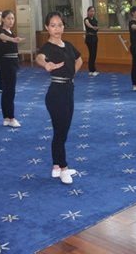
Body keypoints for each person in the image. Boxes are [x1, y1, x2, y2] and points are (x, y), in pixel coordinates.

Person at [36, 11, 82, 184]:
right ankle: (63, 168)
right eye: (53, 25)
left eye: (60, 25)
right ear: (47, 27)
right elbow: (39, 57)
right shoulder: (48, 47)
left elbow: (79, 60)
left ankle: (56, 167)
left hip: (69, 90)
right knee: (60, 133)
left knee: (63, 132)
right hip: (56, 94)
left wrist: (70, 74)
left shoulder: (68, 45)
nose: (57, 29)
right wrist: (46, 64)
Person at [0, 10, 25, 128]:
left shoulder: (10, 31)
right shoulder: (3, 32)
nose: (11, 21)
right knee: (9, 91)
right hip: (7, 64)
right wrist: (13, 39)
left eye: (13, 18)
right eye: (8, 18)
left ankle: (7, 118)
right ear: (3, 19)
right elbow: (1, 36)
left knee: (8, 91)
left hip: (11, 63)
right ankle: (11, 118)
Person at [84, 6, 100, 76]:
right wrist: (93, 27)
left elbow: (97, 27)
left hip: (94, 37)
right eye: (91, 11)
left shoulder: (95, 20)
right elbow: (88, 24)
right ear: (88, 12)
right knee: (92, 54)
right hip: (89, 38)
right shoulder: (86, 19)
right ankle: (92, 70)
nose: (92, 12)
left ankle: (92, 69)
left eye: (93, 11)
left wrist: (96, 28)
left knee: (94, 54)